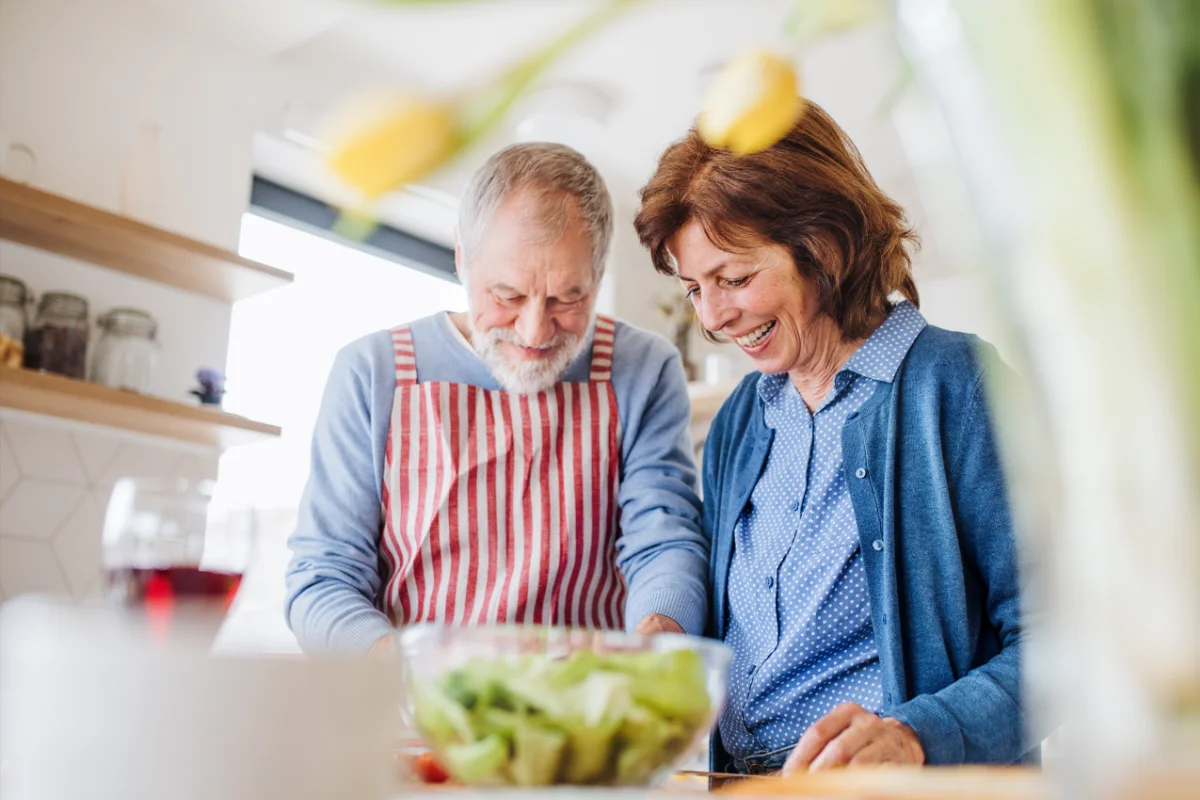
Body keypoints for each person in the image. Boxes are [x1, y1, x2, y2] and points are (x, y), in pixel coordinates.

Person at [634, 101, 1036, 774]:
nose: (714, 316)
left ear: (823, 246)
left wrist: (914, 738)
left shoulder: (958, 386)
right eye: (695, 288)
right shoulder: (740, 419)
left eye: (734, 279)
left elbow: (1069, 643)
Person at [286, 142, 707, 656]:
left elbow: (663, 541)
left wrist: (654, 644)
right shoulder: (372, 372)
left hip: (582, 695)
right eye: (507, 295)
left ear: (597, 278)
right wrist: (398, 671)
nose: (534, 331)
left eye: (567, 298)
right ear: (462, 258)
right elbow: (323, 577)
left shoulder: (644, 369)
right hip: (411, 695)